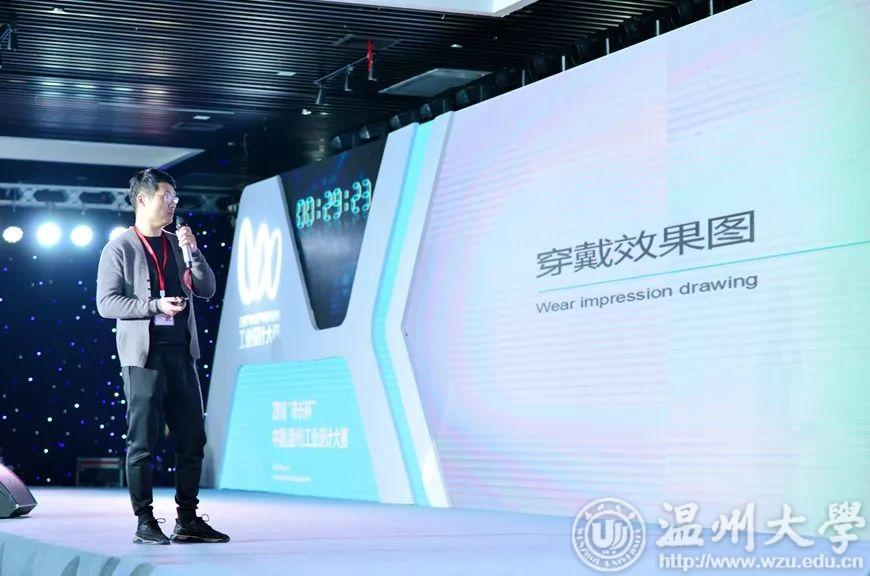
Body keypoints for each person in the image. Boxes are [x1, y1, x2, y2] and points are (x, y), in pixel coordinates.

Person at [96, 168, 229, 545]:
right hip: (144, 359)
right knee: (142, 443)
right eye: (165, 196)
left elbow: (206, 289)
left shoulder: (178, 243)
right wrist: (155, 305)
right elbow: (106, 303)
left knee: (193, 439)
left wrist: (194, 252)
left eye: (175, 197)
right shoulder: (120, 247)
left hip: (182, 355)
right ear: (142, 199)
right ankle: (144, 521)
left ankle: (187, 519)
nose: (173, 203)